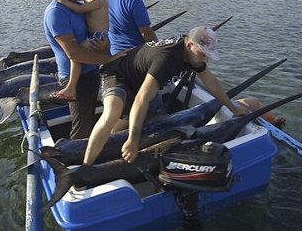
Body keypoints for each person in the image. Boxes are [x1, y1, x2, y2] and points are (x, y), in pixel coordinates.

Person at [82, 26, 249, 165]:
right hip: (117, 74)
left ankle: (112, 145)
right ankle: (85, 167)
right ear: (190, 44)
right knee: (113, 112)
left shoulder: (192, 54)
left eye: (208, 56)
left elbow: (210, 81)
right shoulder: (167, 58)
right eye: (203, 55)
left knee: (142, 124)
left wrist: (232, 107)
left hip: (143, 79)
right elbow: (142, 99)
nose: (204, 61)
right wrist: (134, 139)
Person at [44, 0, 123, 139]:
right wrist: (109, 59)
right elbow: (74, 53)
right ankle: (74, 162)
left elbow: (100, 39)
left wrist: (105, 49)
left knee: (89, 119)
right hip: (76, 80)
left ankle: (89, 153)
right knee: (82, 128)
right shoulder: (57, 12)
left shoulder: (81, 3)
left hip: (91, 73)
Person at [52, 0, 110, 101]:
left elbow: (80, 9)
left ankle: (72, 86)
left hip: (99, 35)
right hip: (91, 34)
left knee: (76, 54)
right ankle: (72, 86)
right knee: (76, 55)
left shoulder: (101, 1)